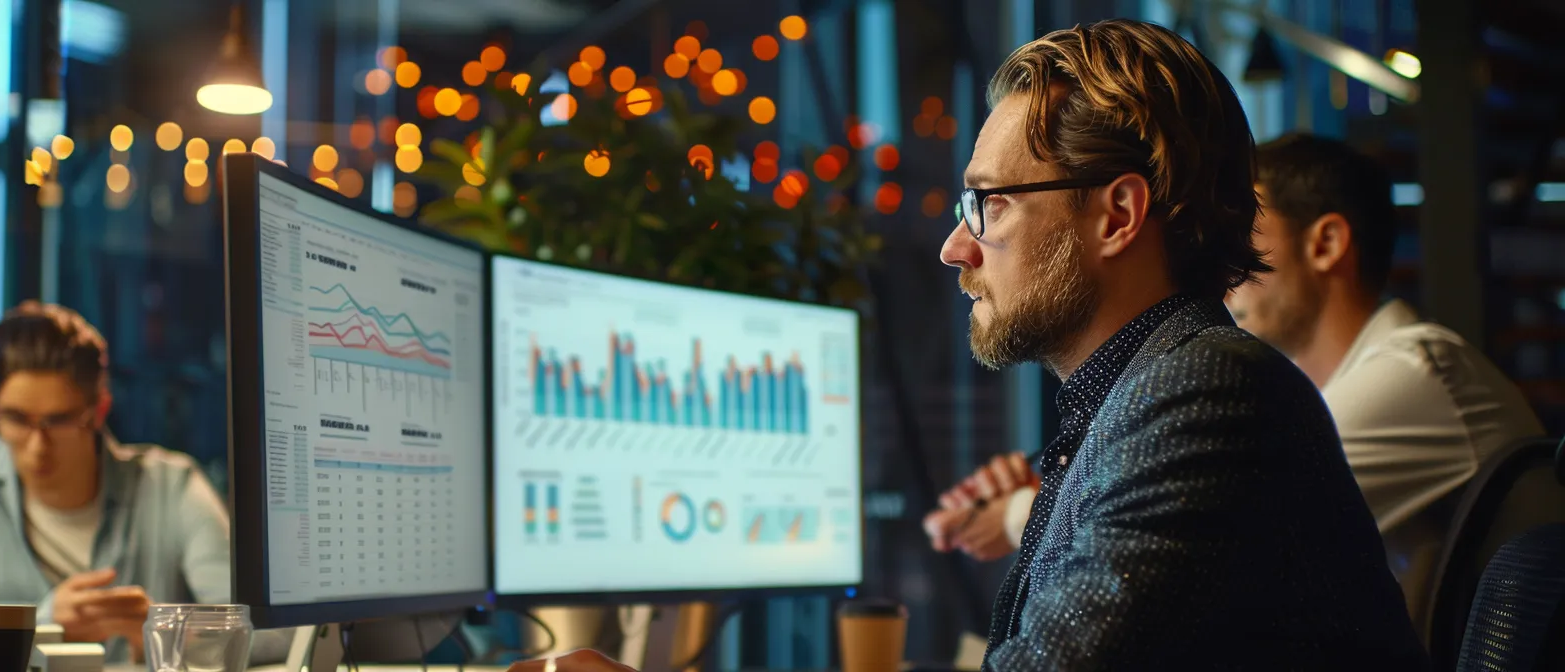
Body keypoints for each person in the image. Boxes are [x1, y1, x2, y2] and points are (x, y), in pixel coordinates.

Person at [515, 19, 1424, 671]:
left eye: (988, 204)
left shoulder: (1207, 394)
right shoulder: (1141, 392)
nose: (956, 245)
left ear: (1116, 214)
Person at [928, 133, 1546, 628]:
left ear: (1326, 243)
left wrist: (1018, 510)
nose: (1225, 272)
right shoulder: (1300, 385)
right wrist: (1056, 481)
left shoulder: (1415, 376)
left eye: (1244, 239)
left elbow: (1178, 499)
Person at [0, 302, 285, 663]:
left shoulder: (170, 486)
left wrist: (165, 633)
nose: (36, 445)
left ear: (98, 410)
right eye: (15, 419)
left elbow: (275, 630)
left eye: (59, 421)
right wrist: (38, 627)